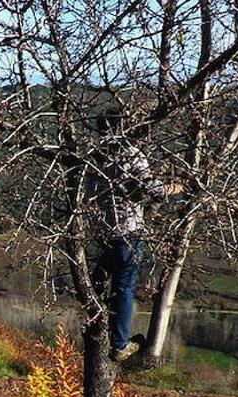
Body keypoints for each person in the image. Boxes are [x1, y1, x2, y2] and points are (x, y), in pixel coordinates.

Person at [85, 111, 181, 361]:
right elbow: (156, 191)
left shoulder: (95, 157)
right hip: (129, 232)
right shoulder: (132, 154)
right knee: (125, 288)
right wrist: (180, 186)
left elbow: (89, 195)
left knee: (101, 279)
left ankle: (98, 326)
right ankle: (119, 344)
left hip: (103, 231)